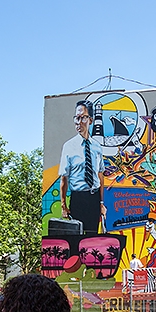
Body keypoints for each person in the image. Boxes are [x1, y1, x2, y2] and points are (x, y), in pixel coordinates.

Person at [59, 99, 107, 233]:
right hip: (78, 199)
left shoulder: (97, 146)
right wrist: (63, 205)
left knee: (91, 239)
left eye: (83, 118)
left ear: (90, 120)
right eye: (76, 118)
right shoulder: (69, 146)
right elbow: (64, 178)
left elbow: (100, 175)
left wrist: (101, 203)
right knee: (77, 237)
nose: (79, 122)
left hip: (94, 198)